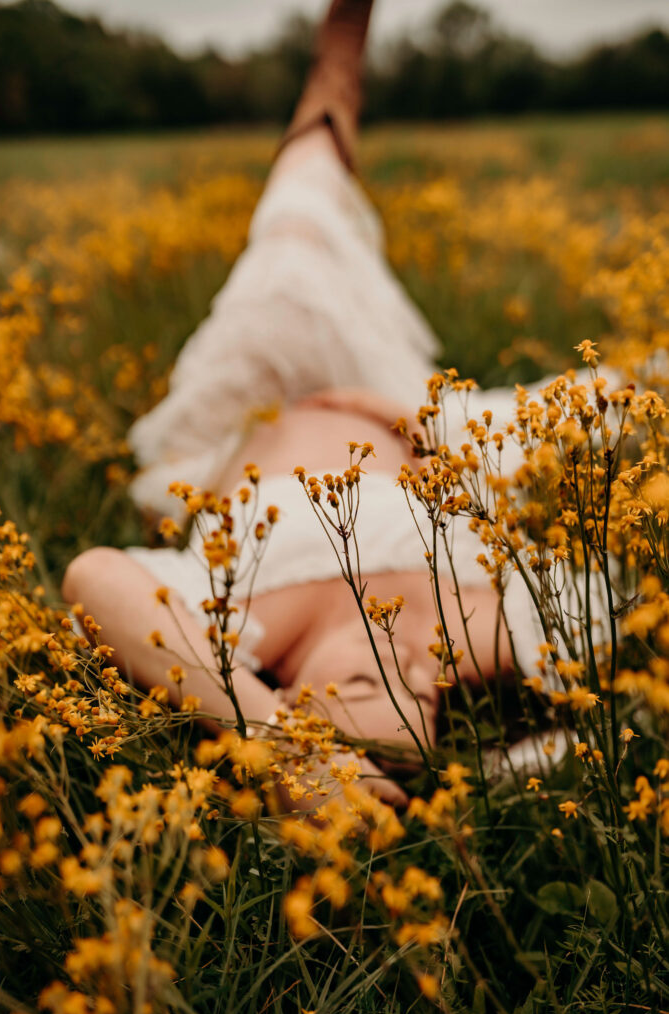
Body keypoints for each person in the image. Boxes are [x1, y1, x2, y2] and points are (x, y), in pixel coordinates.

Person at [62, 0, 539, 801]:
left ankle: (328, 93)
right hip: (386, 398)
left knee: (291, 238)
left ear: (286, 694)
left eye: (356, 692)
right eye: (426, 699)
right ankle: (331, 100)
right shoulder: (459, 633)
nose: (405, 669)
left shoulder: (244, 624)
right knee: (618, 402)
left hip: (249, 397)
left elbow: (93, 578)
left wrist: (281, 751)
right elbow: (619, 605)